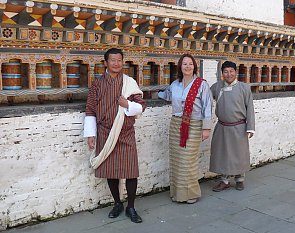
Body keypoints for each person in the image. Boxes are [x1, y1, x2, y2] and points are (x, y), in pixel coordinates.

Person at [83, 48, 146, 223]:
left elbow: (141, 106)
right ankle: (117, 203)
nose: (116, 63)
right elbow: (90, 109)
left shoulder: (129, 82)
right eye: (113, 60)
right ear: (106, 63)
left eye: (119, 60)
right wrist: (90, 134)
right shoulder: (97, 84)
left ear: (122, 62)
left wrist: (127, 104)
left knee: (131, 171)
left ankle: (131, 207)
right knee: (111, 171)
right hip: (104, 131)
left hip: (125, 132)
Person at [158, 53, 213, 204]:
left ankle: (191, 193)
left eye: (190, 64)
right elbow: (167, 96)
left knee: (188, 160)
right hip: (176, 125)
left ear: (194, 66)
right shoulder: (175, 84)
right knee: (177, 160)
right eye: (184, 64)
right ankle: (177, 193)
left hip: (194, 125)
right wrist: (148, 94)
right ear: (180, 67)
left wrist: (206, 128)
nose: (187, 66)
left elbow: (208, 106)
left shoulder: (201, 84)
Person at [210, 60, 255, 192]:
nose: (228, 74)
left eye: (231, 71)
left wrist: (250, 127)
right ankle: (224, 180)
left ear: (235, 72)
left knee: (239, 154)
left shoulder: (244, 88)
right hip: (222, 127)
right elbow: (205, 97)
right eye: (225, 72)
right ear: (222, 73)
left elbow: (250, 108)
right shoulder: (217, 86)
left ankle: (240, 179)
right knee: (223, 153)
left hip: (239, 127)